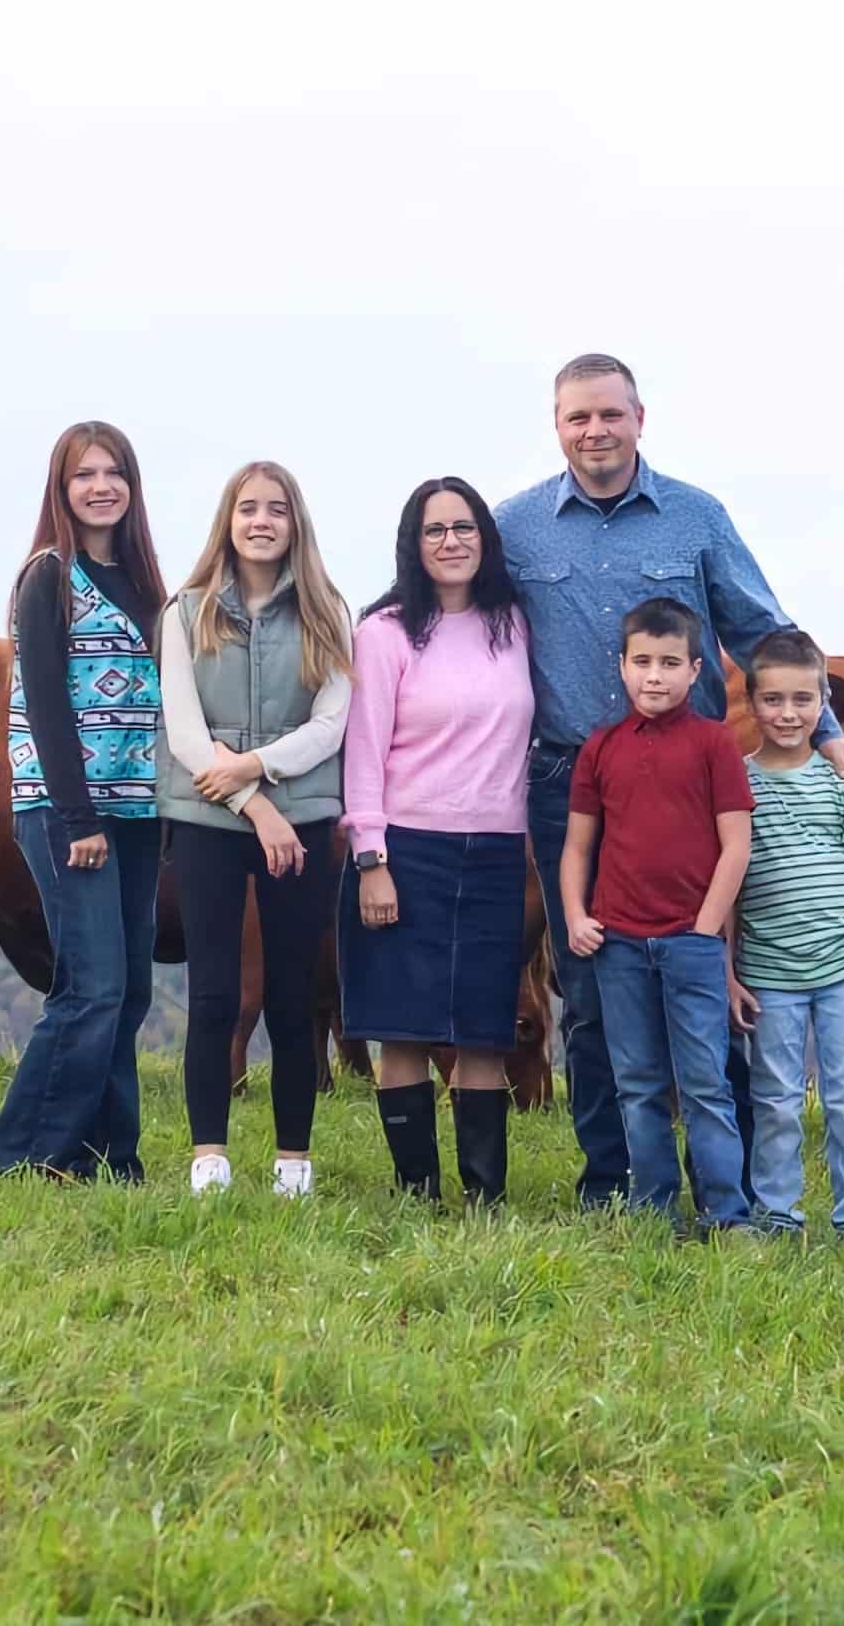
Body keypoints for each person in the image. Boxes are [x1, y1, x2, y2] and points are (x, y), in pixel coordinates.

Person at [495, 352, 844, 1210]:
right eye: (577, 418)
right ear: (556, 425)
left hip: (690, 790)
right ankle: (612, 1182)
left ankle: (730, 1183)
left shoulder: (695, 518)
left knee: (709, 980)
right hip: (570, 784)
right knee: (588, 988)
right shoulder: (516, 526)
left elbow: (761, 628)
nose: (595, 431)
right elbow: (460, 618)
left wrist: (827, 734)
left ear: (639, 418)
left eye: (610, 415)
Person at [157, 461, 352, 1198]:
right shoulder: (186, 612)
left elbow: (331, 724)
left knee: (291, 995)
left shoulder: (330, 612)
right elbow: (183, 731)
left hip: (303, 817)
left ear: (295, 523)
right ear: (228, 521)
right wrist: (256, 804)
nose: (262, 521)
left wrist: (261, 769)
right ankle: (209, 1155)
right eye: (248, 509)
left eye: (277, 509)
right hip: (210, 817)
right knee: (213, 994)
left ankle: (293, 1161)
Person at [341, 477, 534, 1208]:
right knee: (406, 1031)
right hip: (406, 851)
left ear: (484, 538)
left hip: (494, 852)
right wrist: (371, 860)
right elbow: (363, 755)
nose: (451, 542)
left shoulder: (514, 624)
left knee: (484, 1030)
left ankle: (485, 1197)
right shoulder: (385, 632)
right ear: (413, 546)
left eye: (464, 527)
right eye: (435, 530)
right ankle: (415, 1189)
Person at [0, 420, 166, 1182]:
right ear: (62, 490)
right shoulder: (48, 576)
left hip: (136, 811)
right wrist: (78, 819)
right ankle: (25, 1155)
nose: (101, 486)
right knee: (88, 988)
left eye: (113, 472)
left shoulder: (146, 582)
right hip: (70, 815)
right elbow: (50, 707)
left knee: (128, 991)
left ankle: (110, 1155)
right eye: (84, 474)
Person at [559, 598, 755, 1230]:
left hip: (690, 944)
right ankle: (656, 1212)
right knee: (638, 1086)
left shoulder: (713, 744)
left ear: (696, 670)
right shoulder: (600, 749)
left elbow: (737, 844)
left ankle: (728, 1214)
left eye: (670, 663)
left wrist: (705, 928)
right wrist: (574, 914)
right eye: (641, 661)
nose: (654, 676)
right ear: (620, 666)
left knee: (705, 1085)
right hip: (615, 943)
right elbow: (578, 846)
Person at [727, 629, 844, 1244]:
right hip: (768, 974)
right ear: (751, 704)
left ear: (822, 700)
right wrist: (728, 972)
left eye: (802, 700)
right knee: (773, 1102)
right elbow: (727, 887)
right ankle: (777, 1217)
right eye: (772, 700)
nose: (788, 714)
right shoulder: (737, 788)